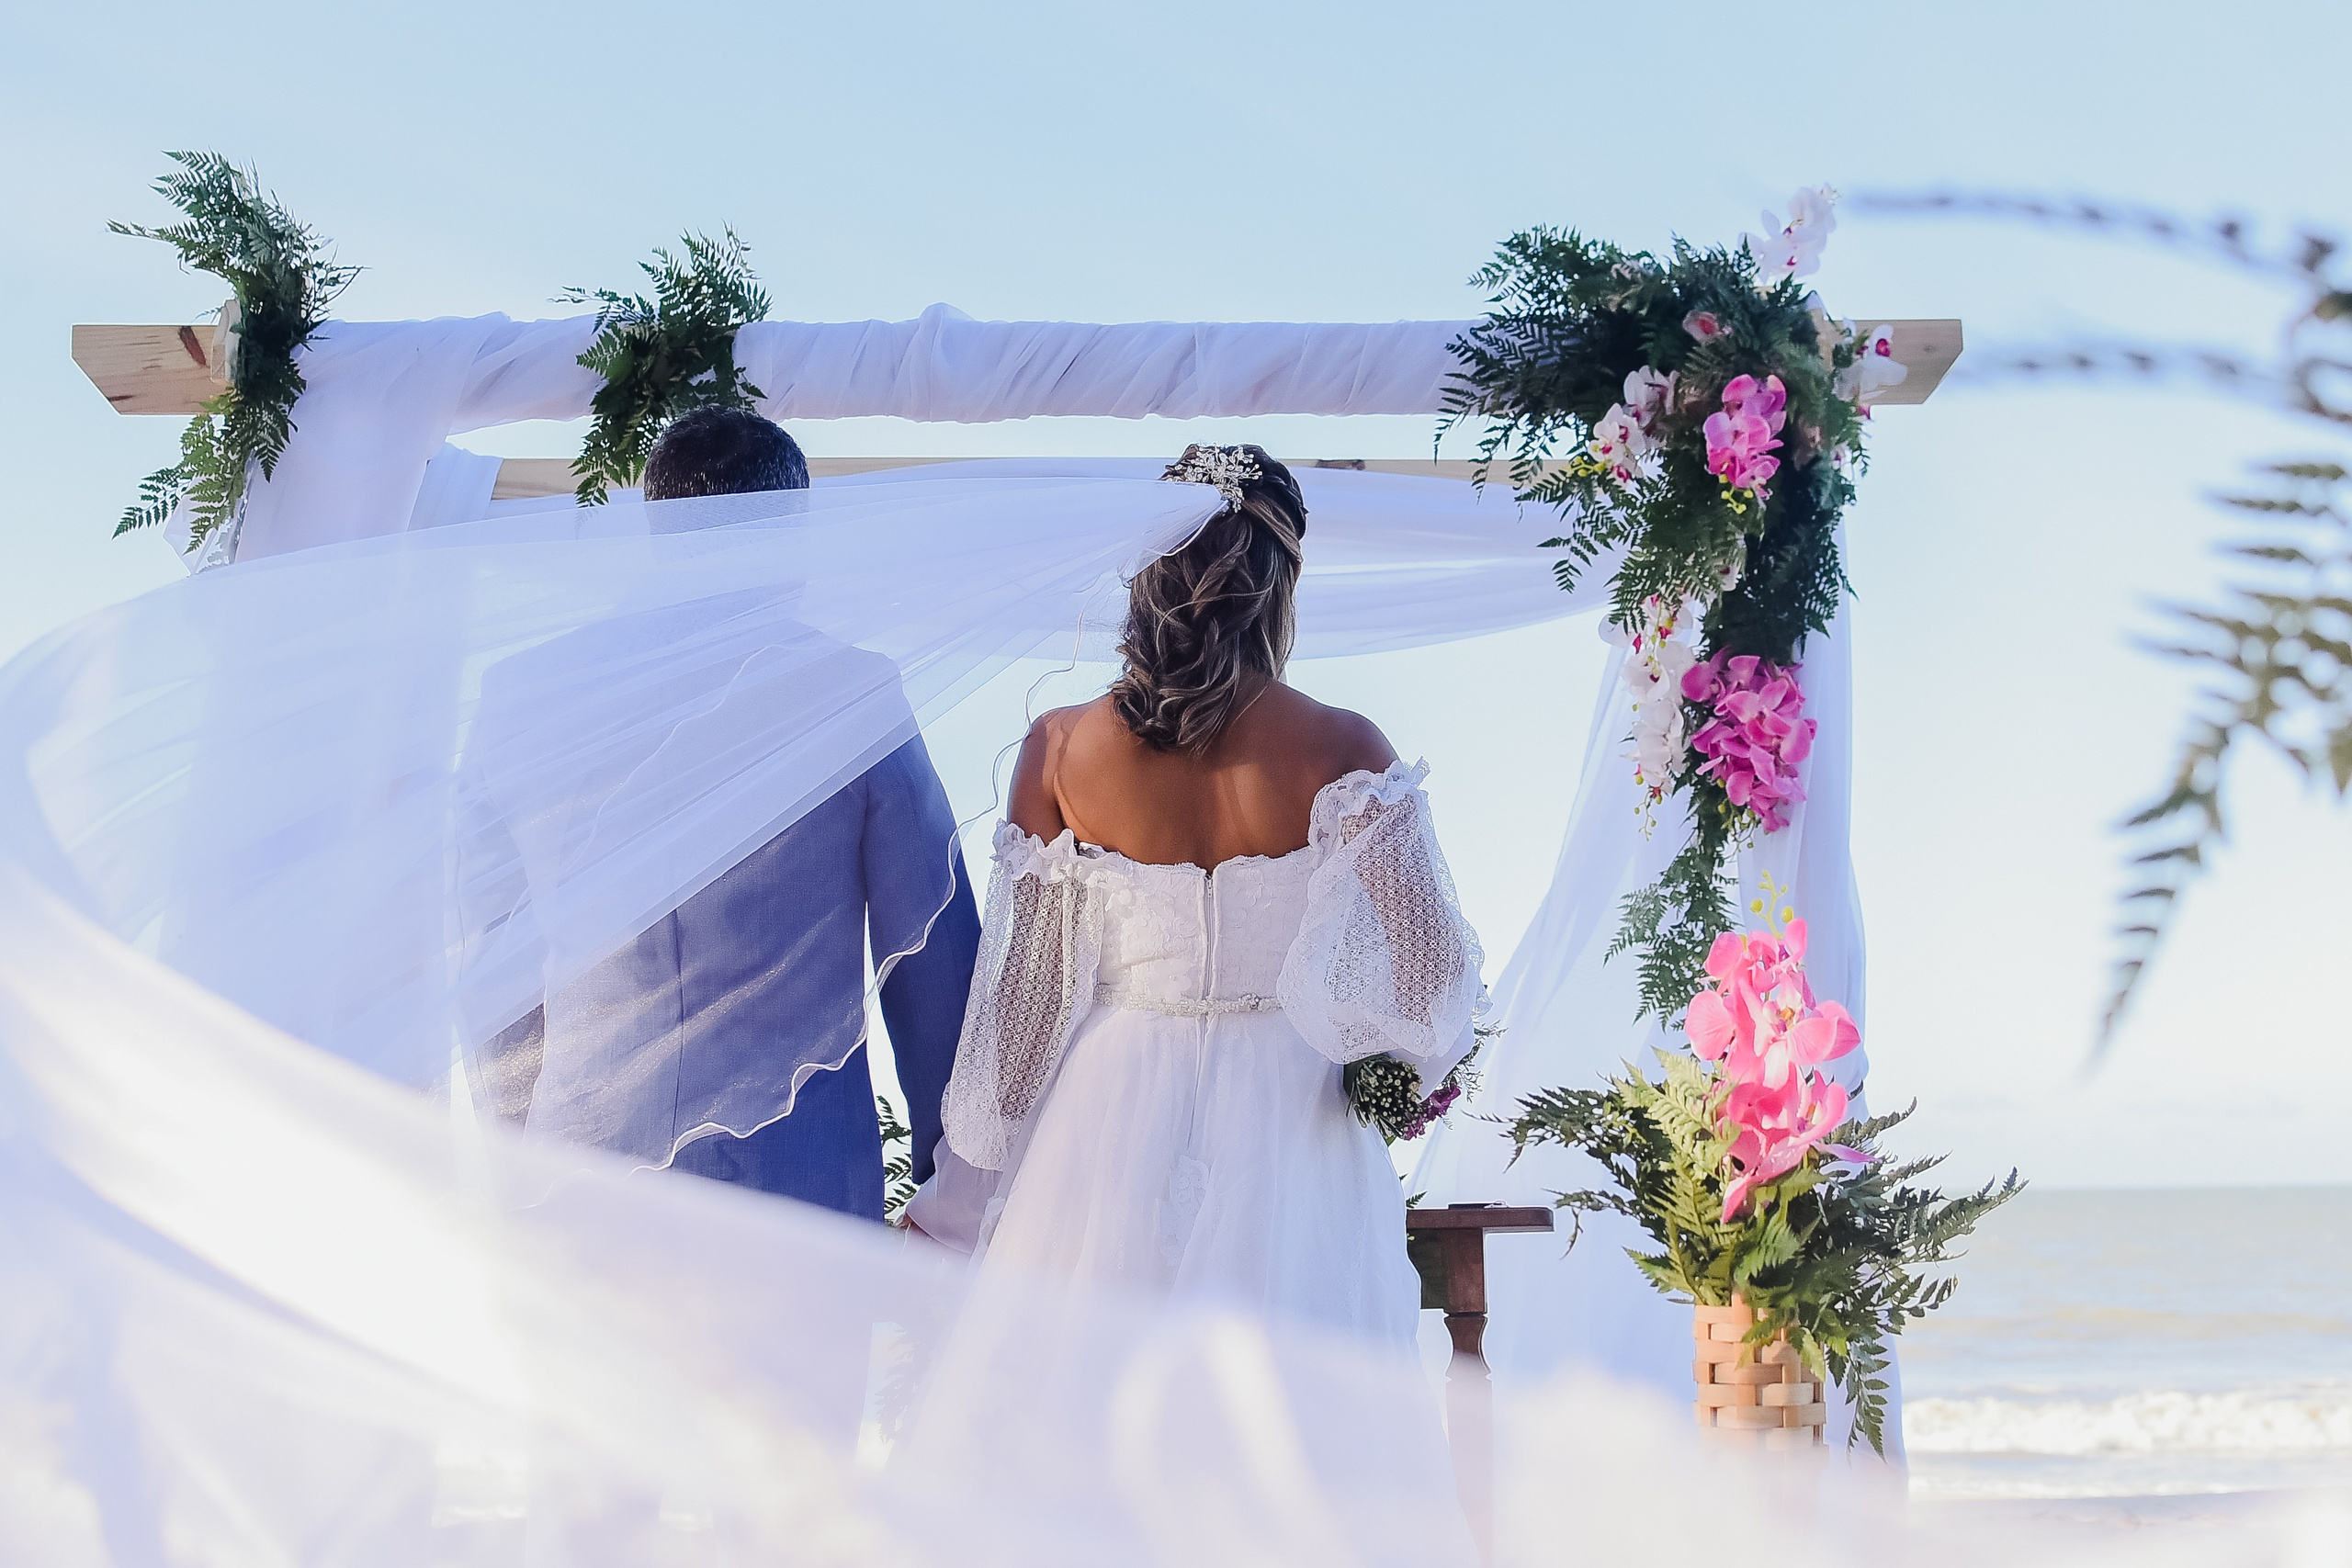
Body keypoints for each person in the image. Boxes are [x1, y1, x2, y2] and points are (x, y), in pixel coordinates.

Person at [910, 445, 1484, 1348]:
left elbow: (1018, 1014)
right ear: (1279, 581)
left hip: (1103, 1113)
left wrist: (956, 1196)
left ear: (1147, 570)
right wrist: (1381, 1067)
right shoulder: (1341, 748)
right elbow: (1438, 978)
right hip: (1291, 1123)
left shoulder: (1058, 751)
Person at [467, 406, 981, 1219]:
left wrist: (520, 1138)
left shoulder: (520, 697)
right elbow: (932, 953)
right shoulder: (851, 693)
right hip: (794, 1190)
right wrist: (945, 1175)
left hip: (579, 1175)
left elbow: (492, 954)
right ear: (788, 534)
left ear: (655, 522)